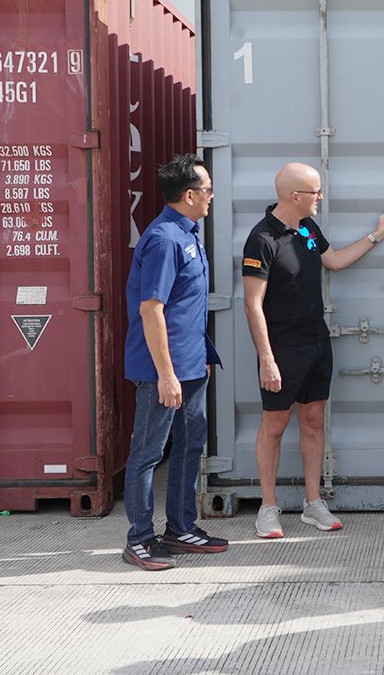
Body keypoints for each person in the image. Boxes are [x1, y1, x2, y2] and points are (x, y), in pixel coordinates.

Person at [243, 163, 384, 538]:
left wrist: (375, 236)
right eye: (316, 192)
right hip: (282, 349)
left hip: (316, 342)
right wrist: (266, 359)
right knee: (275, 425)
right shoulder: (261, 239)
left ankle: (313, 504)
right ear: (295, 197)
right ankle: (267, 508)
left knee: (313, 420)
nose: (321, 198)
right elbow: (252, 304)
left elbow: (334, 260)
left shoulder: (308, 228)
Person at [121, 154, 226, 571]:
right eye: (207, 189)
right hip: (162, 371)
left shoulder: (188, 233)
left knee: (189, 445)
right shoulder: (165, 239)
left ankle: (180, 528)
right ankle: (139, 539)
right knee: (148, 453)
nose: (212, 195)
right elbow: (152, 309)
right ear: (189, 195)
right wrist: (166, 374)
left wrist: (198, 359)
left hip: (192, 364)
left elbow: (186, 307)